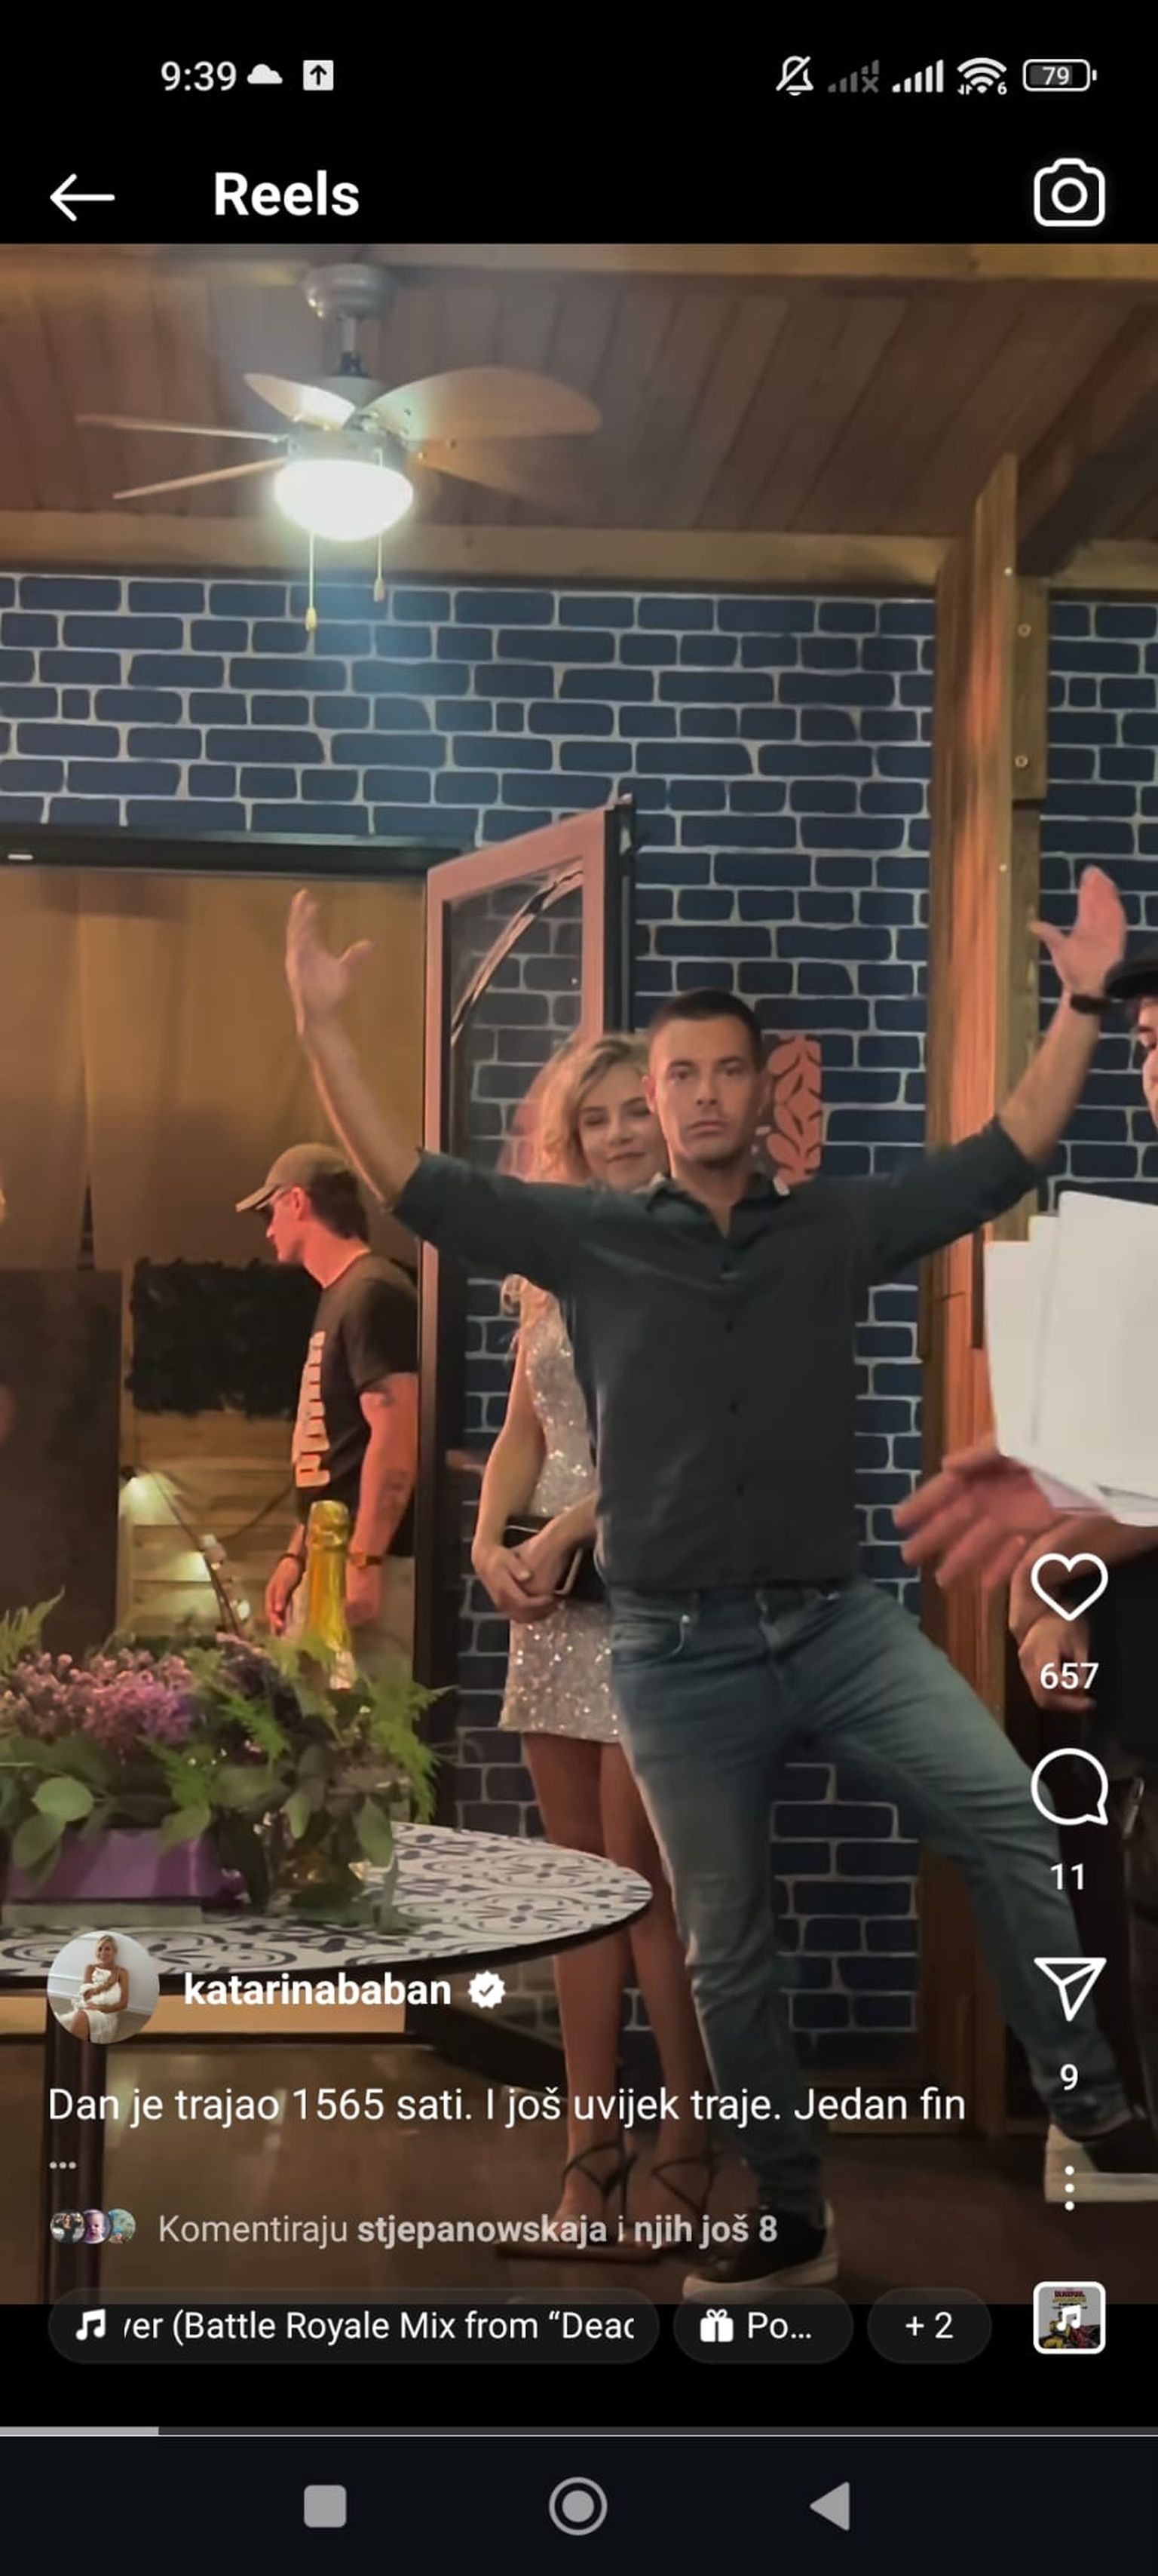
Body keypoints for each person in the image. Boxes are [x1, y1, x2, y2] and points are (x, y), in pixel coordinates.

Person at [283, 866, 1158, 2302]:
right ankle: (793, 2217)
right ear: (658, 1095)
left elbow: (1008, 1152)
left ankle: (1089, 2104)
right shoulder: (589, 1237)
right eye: (676, 1074)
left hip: (839, 1622)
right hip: (673, 1650)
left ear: (765, 1096)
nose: (696, 1095)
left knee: (1007, 1817)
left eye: (723, 1072)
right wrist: (325, 1029)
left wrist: (1077, 1000)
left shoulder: (839, 1226)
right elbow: (413, 1186)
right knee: (726, 1948)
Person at [898, 946, 1158, 2170]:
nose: (1156, 1068)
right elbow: (1100, 1466)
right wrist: (1046, 1592)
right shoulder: (1133, 1248)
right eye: (1148, 1046)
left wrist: (1059, 1561)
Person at [472, 1032, 715, 2250]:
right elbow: (526, 1428)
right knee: (576, 1892)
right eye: (597, 1116)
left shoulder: (695, 1251)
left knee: (645, 1890)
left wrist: (568, 1529)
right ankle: (587, 2160)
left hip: (646, 1582)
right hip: (551, 1602)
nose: (619, 1132)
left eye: (636, 1110)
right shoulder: (552, 1258)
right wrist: (486, 1540)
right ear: (569, 1136)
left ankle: (687, 2153)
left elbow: (685, 1438)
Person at [236, 1145, 418, 1668]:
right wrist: (296, 1556)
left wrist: (366, 1561)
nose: (268, 1230)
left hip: (362, 1563)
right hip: (331, 1558)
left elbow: (397, 1431)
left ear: (297, 1201)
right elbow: (337, 1455)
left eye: (269, 1212)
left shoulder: (371, 1292)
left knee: (363, 1716)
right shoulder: (344, 1295)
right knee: (313, 1713)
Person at [64, 1935, 128, 2044]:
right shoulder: (90, 1968)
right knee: (76, 2019)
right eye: (100, 1949)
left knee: (80, 2018)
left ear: (115, 1952)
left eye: (107, 1949)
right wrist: (107, 1985)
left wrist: (99, 2008)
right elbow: (86, 1996)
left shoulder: (122, 1972)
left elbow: (123, 2004)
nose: (103, 1953)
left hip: (107, 2013)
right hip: (88, 2006)